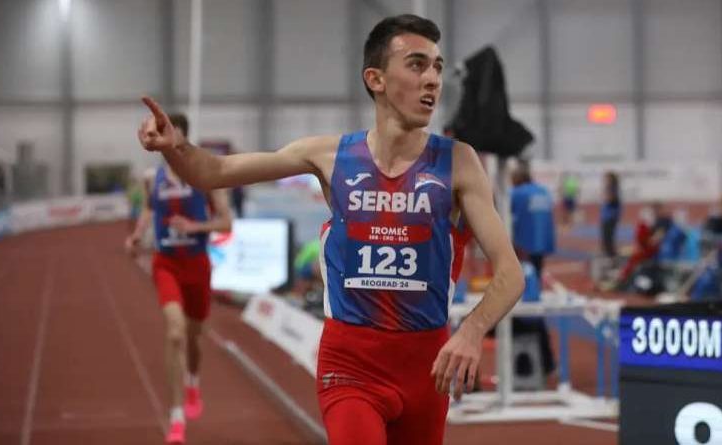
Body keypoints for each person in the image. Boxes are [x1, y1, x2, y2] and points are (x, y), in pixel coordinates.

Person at [137, 14, 524, 445]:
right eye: (417, 65)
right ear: (376, 79)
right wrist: (175, 147)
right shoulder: (330, 156)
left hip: (426, 368)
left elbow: (510, 272)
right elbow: (214, 172)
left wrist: (471, 331)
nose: (432, 78)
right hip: (350, 364)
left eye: (436, 66)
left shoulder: (458, 162)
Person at [126, 113, 232, 444]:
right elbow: (149, 208)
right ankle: (176, 416)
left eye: (176, 137)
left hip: (197, 264)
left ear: (184, 139)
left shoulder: (204, 176)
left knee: (194, 338)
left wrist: (195, 227)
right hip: (167, 263)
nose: (170, 144)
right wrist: (137, 234)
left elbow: (226, 223)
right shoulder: (153, 178)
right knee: (175, 333)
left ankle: (193, 380)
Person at [510, 161, 556, 277]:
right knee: (537, 267)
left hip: (525, 239)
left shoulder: (517, 192)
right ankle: (536, 284)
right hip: (543, 237)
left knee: (524, 270)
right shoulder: (543, 191)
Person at [600, 171, 622, 258]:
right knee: (606, 237)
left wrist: (606, 196)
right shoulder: (611, 188)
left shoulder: (612, 188)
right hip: (607, 216)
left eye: (607, 178)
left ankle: (611, 255)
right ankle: (608, 253)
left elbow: (611, 199)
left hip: (610, 217)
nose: (605, 180)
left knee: (608, 237)